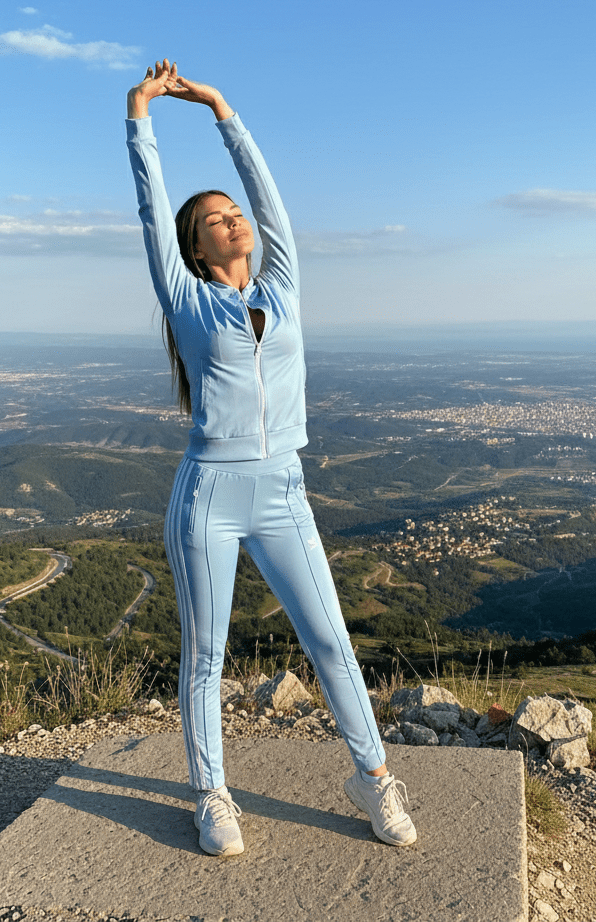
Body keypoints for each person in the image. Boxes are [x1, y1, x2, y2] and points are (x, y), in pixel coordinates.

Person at [125, 62, 416, 856]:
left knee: (330, 642)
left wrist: (223, 110)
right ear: (196, 245)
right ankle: (211, 795)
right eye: (216, 219)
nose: (234, 222)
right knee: (206, 654)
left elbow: (271, 203)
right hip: (208, 494)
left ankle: (373, 777)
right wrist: (140, 116)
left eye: (233, 214)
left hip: (284, 489)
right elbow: (152, 212)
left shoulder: (283, 287)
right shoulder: (186, 301)